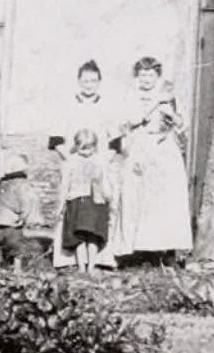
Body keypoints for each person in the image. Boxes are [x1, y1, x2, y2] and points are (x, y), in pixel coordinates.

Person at [113, 56, 193, 262]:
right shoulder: (131, 96)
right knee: (139, 197)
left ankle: (167, 249)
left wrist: (175, 118)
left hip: (164, 147)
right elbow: (126, 122)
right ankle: (139, 249)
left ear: (158, 76)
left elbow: (182, 123)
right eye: (142, 76)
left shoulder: (168, 96)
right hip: (140, 145)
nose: (146, 80)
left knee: (166, 199)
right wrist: (152, 106)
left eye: (151, 75)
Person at [52, 59, 121, 269]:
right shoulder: (67, 105)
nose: (89, 85)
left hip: (99, 166)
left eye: (93, 81)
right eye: (85, 81)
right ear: (78, 81)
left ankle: (100, 258)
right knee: (72, 212)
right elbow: (55, 140)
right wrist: (71, 159)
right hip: (74, 165)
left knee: (99, 211)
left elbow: (116, 142)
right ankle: (68, 259)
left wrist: (102, 162)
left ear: (99, 82)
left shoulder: (108, 106)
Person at [59, 129, 112, 273]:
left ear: (95, 146)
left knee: (93, 236)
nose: (87, 152)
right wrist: (61, 203)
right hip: (77, 201)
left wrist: (109, 196)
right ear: (77, 146)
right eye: (83, 149)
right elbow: (65, 184)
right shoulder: (71, 161)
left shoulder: (100, 161)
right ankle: (81, 266)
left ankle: (91, 266)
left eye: (90, 148)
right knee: (79, 237)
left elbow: (105, 180)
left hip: (96, 201)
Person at [0, 150, 41, 271]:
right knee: (18, 248)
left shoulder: (1, 183)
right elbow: (28, 202)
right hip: (12, 226)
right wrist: (24, 217)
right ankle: (17, 269)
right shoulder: (23, 184)